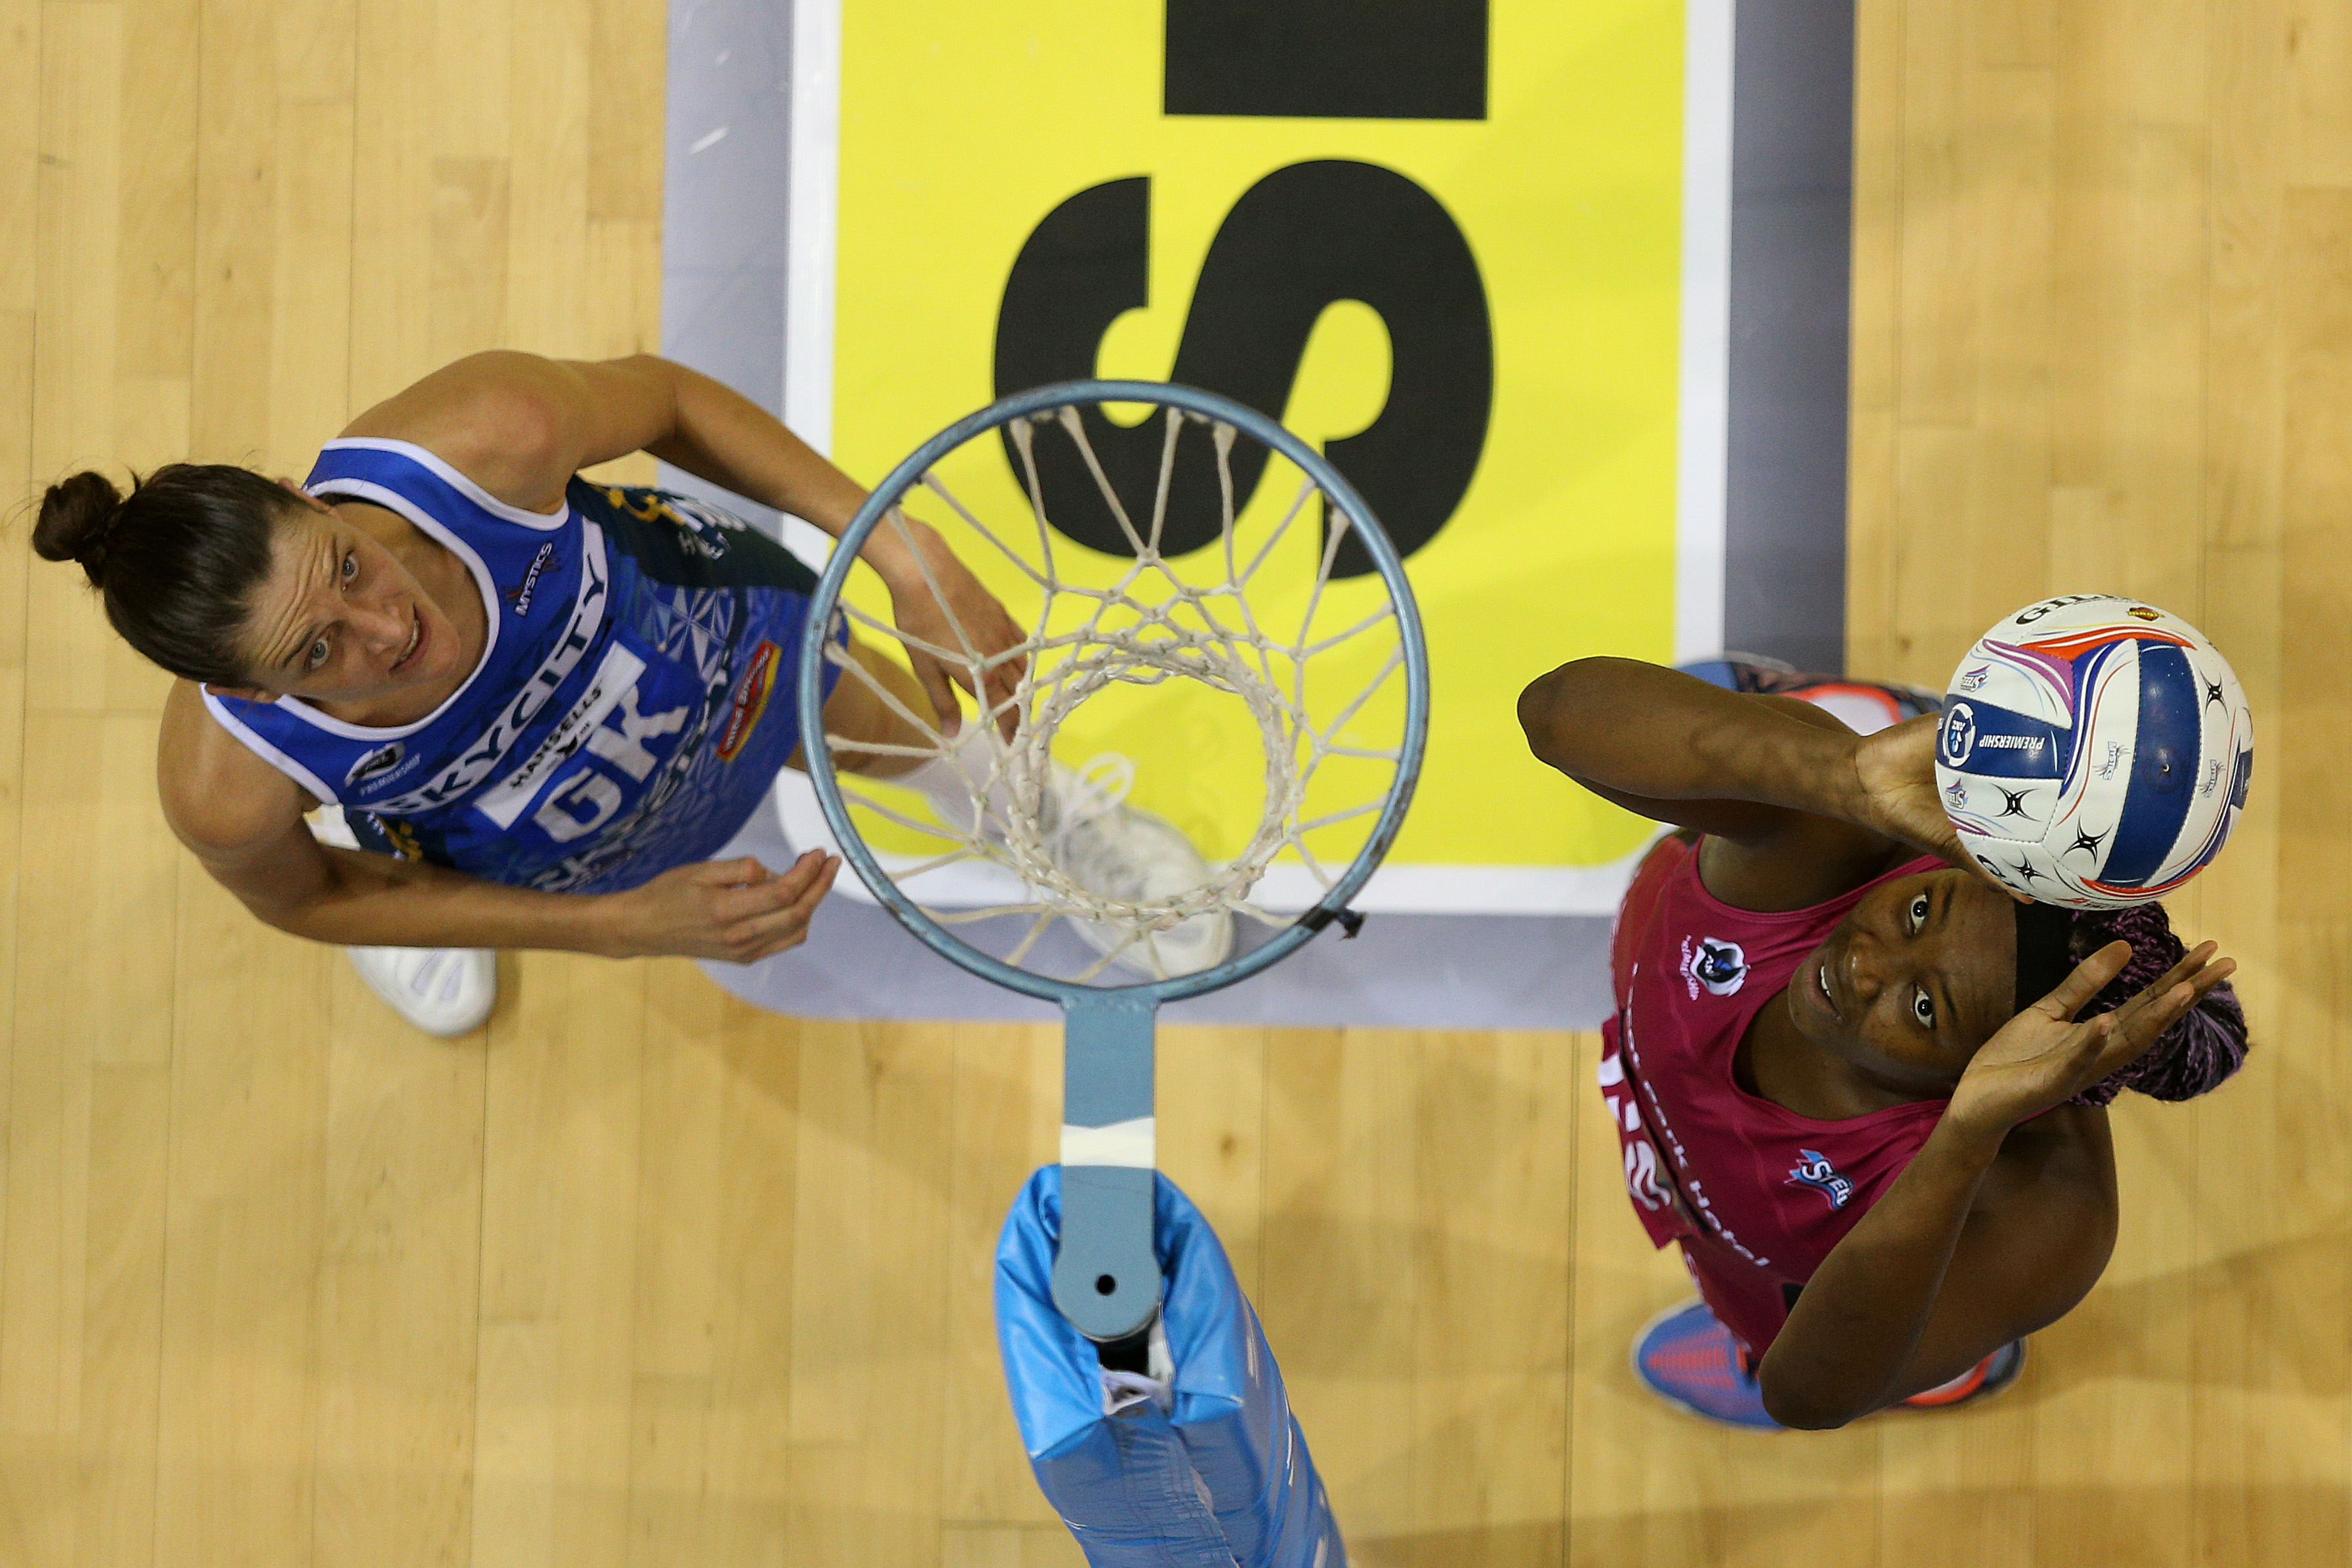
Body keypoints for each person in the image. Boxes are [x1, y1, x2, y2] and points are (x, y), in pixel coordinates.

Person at [33, 352, 1229, 1034]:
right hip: (539, 841)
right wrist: (610, 931)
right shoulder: (226, 785)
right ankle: (429, 925)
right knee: (388, 888)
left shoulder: (479, 439)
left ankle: (1050, 819)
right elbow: (307, 895)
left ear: (307, 493)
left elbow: (667, 400)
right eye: (316, 655)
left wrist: (899, 552)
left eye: (346, 567)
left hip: (713, 647)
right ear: (240, 688)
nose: (387, 626)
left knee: (920, 738)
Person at [1518, 655, 2248, 1430]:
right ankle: (1820, 724)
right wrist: (1837, 775)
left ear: (1985, 1072)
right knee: (1753, 775)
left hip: (1770, 1265)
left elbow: (1805, 1395)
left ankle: (1940, 1349)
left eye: (1926, 1008)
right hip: (1670, 956)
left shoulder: (2047, 1215)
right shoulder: (1833, 845)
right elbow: (1551, 710)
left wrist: (1965, 1138)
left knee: (1827, 1338)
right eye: (1920, 910)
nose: (1863, 962)